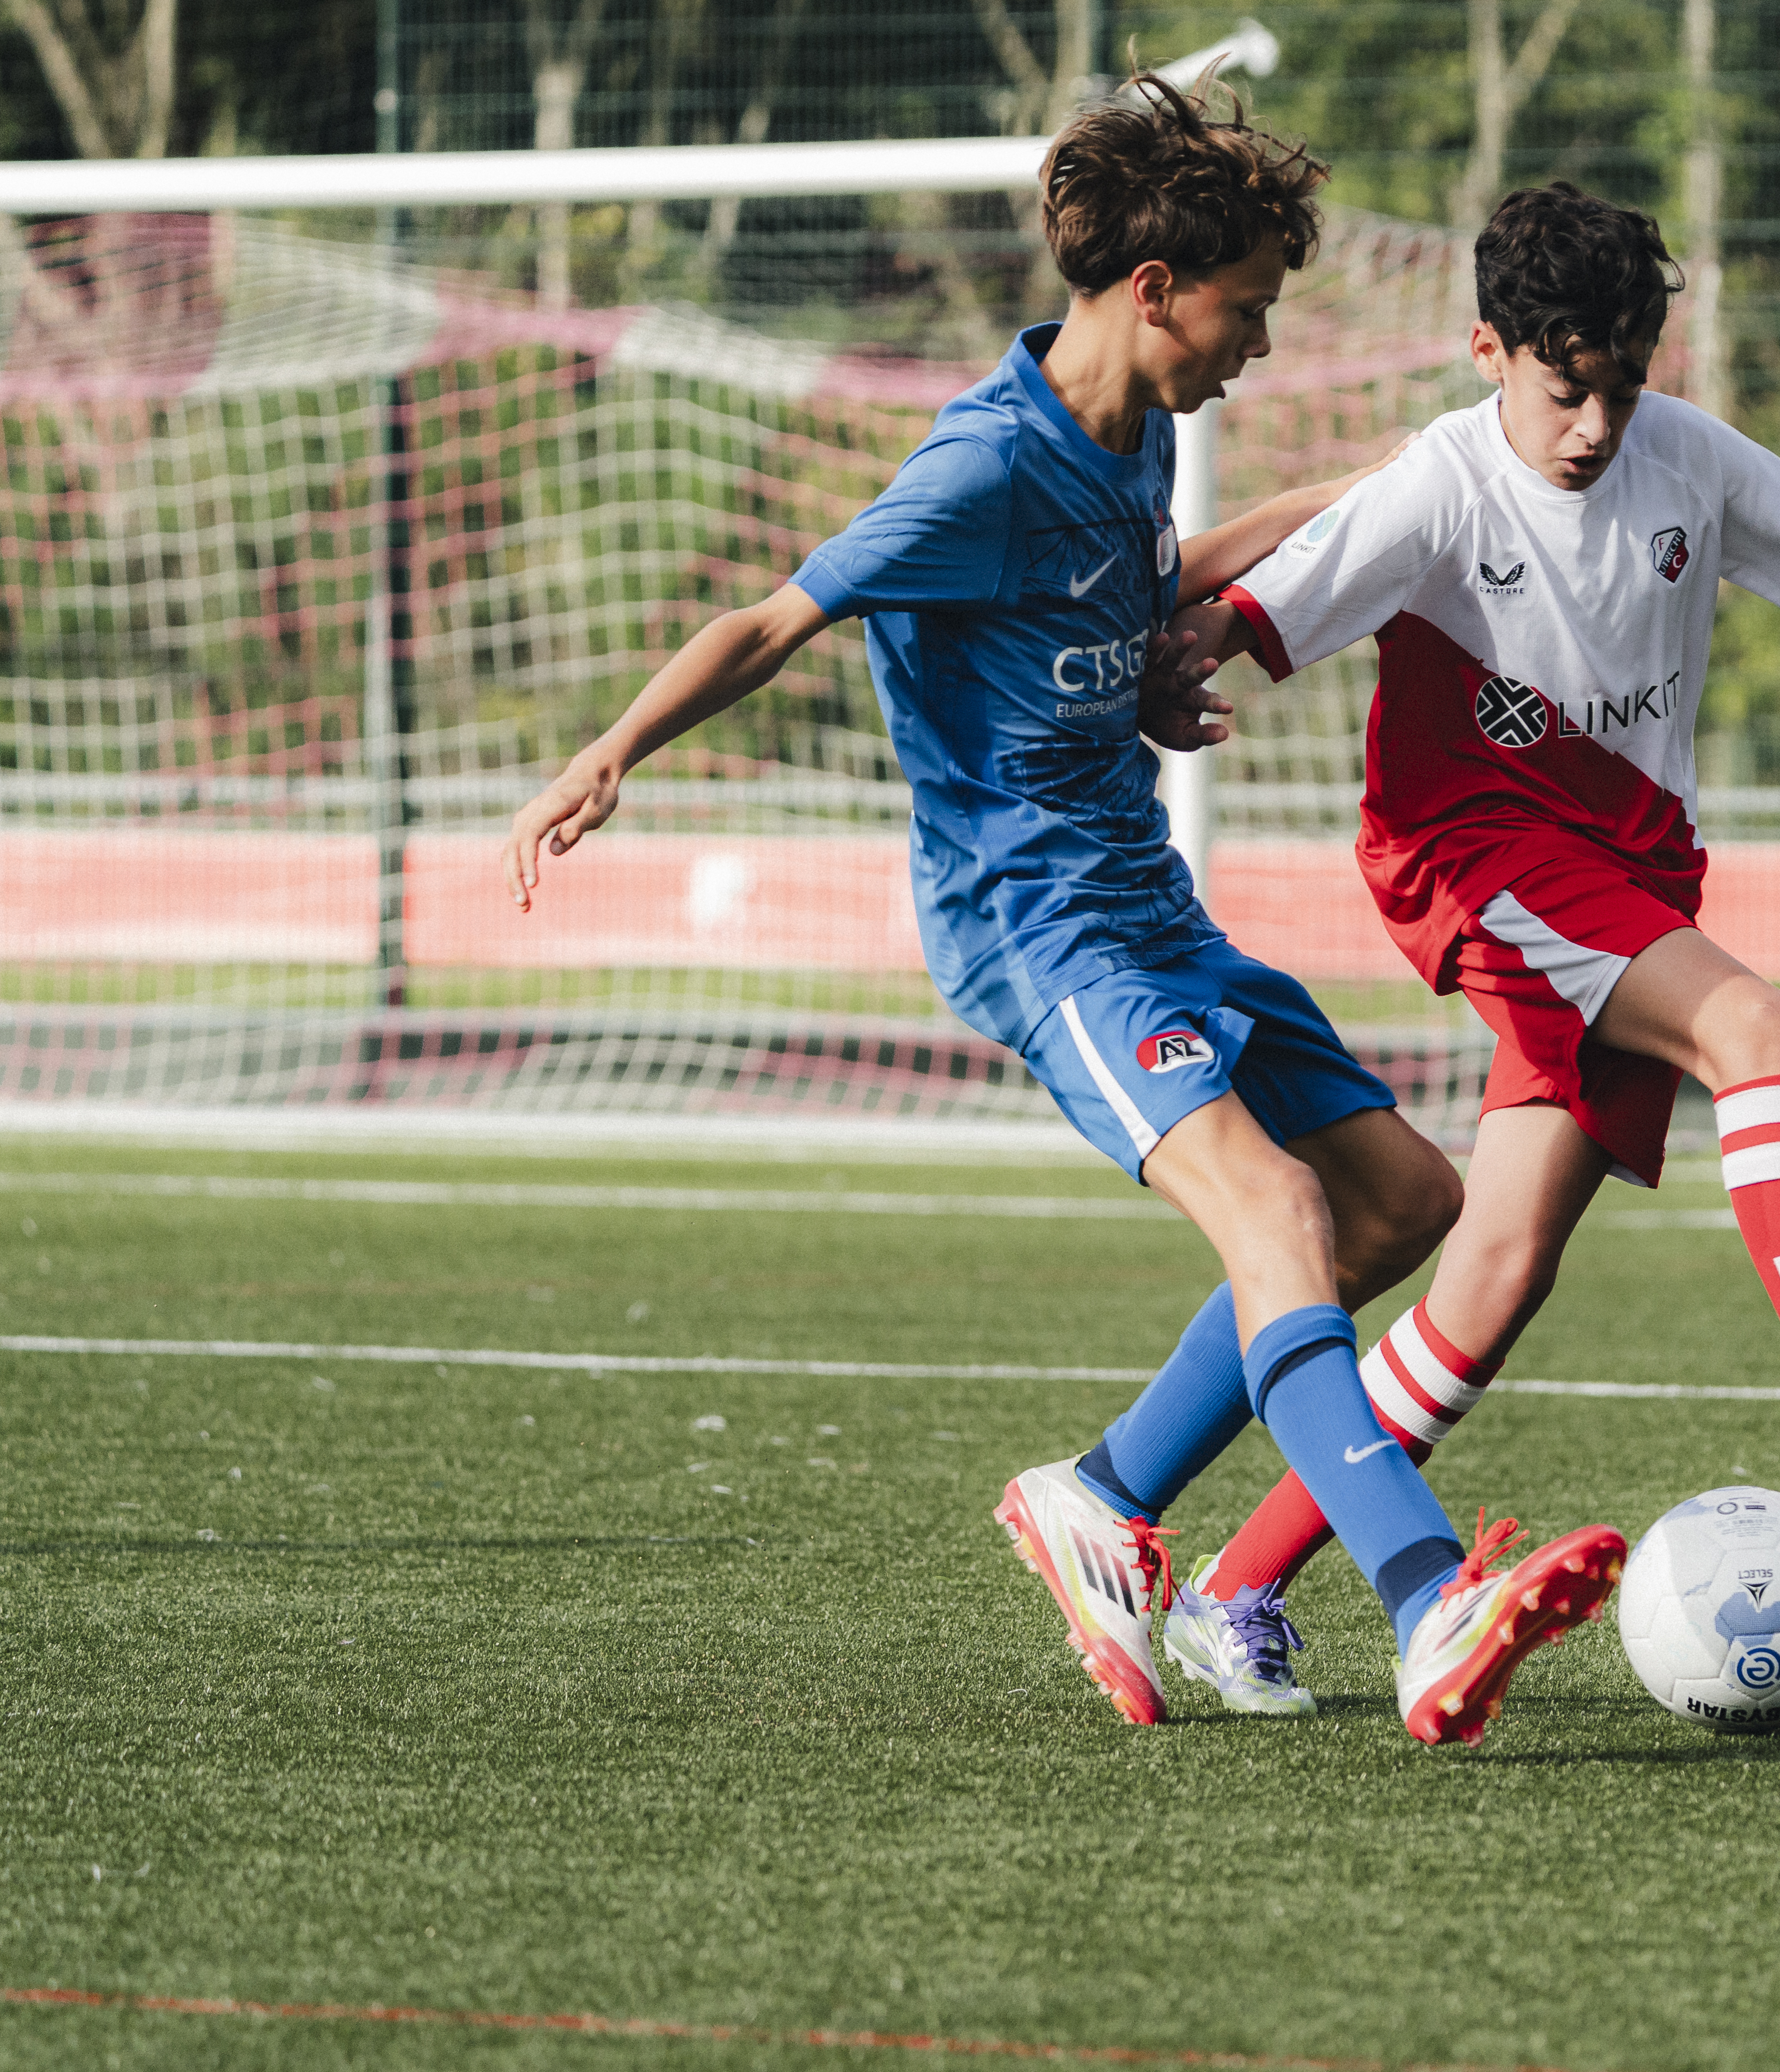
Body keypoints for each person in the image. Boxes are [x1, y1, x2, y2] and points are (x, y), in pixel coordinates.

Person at [499, 89, 1623, 1747]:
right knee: (1278, 1223)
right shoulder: (980, 466)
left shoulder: (1138, 428)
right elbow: (776, 614)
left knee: (1400, 1198)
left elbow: (1144, 591)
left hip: (1151, 902)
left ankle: (1099, 1497)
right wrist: (607, 754)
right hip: (1042, 928)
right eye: (1246, 309)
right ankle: (1425, 1599)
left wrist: (1369, 498)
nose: (1256, 343)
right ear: (1159, 287)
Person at [1143, 182, 1780, 1717]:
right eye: (1562, 383)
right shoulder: (1438, 487)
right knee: (1756, 1029)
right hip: (1478, 860)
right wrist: (1158, 664)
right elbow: (1248, 619)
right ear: (1488, 350)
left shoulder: (1687, 460)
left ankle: (1235, 1585)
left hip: (1627, 878)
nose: (1593, 423)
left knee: (1491, 1283)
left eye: (1621, 383)